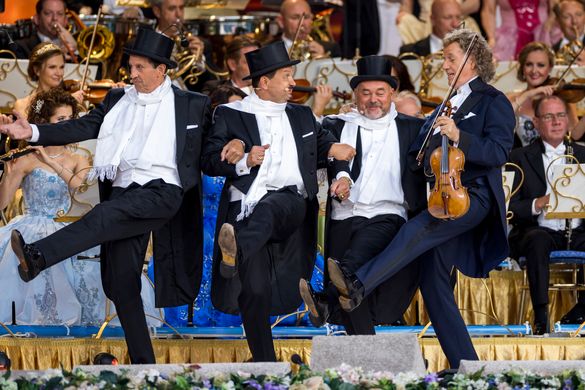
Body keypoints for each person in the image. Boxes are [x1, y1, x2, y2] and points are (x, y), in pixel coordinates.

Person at [0, 28, 211, 364]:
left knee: (101, 216)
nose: (133, 73)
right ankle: (145, 366)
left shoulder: (193, 104)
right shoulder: (117, 100)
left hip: (163, 191)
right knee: (122, 284)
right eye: (132, 66)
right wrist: (33, 132)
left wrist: (239, 152)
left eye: (141, 67)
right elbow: (81, 127)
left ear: (162, 69)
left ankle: (37, 257)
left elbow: (210, 150)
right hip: (125, 192)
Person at [325, 29, 515, 368]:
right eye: (444, 58)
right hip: (445, 195)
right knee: (432, 280)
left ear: (471, 61)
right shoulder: (446, 104)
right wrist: (429, 156)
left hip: (475, 197)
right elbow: (417, 151)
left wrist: (460, 136)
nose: (444, 64)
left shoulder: (492, 100)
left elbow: (499, 151)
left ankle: (357, 285)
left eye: (450, 58)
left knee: (418, 228)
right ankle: (465, 365)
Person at [201, 41, 354, 361]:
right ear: (264, 82)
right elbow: (210, 160)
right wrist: (242, 161)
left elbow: (325, 144)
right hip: (245, 208)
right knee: (253, 290)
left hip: (290, 204)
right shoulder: (230, 114)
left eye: (292, 75)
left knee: (272, 207)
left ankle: (236, 247)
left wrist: (337, 159)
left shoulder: (300, 116)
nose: (293, 83)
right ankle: (265, 361)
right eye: (286, 76)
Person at [299, 56, 425, 334]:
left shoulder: (413, 128)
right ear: (356, 94)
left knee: (347, 272)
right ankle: (363, 365)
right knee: (353, 299)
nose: (373, 99)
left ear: (392, 93)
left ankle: (326, 299)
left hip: (388, 215)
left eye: (380, 92)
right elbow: (309, 147)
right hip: (345, 217)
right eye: (366, 93)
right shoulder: (337, 124)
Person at [0, 88, 95, 325]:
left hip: (69, 227)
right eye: (60, 120)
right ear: (44, 123)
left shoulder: (79, 159)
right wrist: (8, 175)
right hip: (31, 224)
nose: (67, 125)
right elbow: (2, 204)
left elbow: (80, 191)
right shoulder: (24, 159)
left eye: (71, 120)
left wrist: (48, 161)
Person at [508, 95, 585, 334]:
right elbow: (509, 207)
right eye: (549, 116)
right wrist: (536, 203)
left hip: (578, 230)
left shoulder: (583, 155)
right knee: (537, 240)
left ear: (568, 120)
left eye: (561, 115)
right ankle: (541, 318)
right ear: (536, 122)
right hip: (539, 231)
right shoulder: (518, 157)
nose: (556, 121)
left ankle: (578, 313)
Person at [506, 42, 580, 148]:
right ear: (522, 67)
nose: (534, 70)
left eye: (541, 65)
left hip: (555, 161)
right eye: (529, 64)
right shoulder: (511, 98)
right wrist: (528, 94)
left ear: (550, 68)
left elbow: (575, 135)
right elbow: (498, 122)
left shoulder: (562, 97)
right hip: (521, 162)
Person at [14, 42, 84, 118]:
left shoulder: (70, 99)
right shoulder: (22, 104)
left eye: (61, 67)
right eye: (52, 67)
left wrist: (72, 105)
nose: (59, 73)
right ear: (37, 70)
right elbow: (34, 118)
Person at [481, 0, 550, 60]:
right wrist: (491, 37)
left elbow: (554, 8)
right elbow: (489, 11)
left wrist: (549, 27)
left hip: (543, 35)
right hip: (509, 41)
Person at [13, 0, 78, 61]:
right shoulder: (19, 47)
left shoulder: (75, 46)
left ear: (66, 20)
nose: (55, 18)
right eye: (48, 13)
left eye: (60, 14)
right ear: (37, 19)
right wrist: (58, 55)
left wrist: (76, 50)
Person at [276, 0, 341, 59]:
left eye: (306, 17)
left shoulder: (332, 49)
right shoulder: (267, 50)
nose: (302, 23)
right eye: (295, 18)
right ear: (281, 22)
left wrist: (324, 60)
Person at [399, 0, 463, 58]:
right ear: (433, 20)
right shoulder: (410, 52)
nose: (455, 24)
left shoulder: (469, 51)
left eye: (458, 17)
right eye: (448, 17)